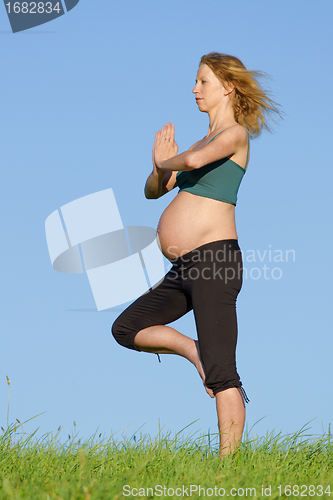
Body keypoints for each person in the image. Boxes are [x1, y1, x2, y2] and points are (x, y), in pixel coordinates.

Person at [112, 52, 280, 457]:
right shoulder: (197, 141)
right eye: (195, 81)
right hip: (183, 267)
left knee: (223, 373)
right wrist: (158, 168)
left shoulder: (234, 136)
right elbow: (154, 190)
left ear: (227, 86)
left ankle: (229, 467)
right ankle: (193, 350)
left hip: (214, 263)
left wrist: (166, 160)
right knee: (127, 327)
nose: (194, 90)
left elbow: (190, 162)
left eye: (202, 82)